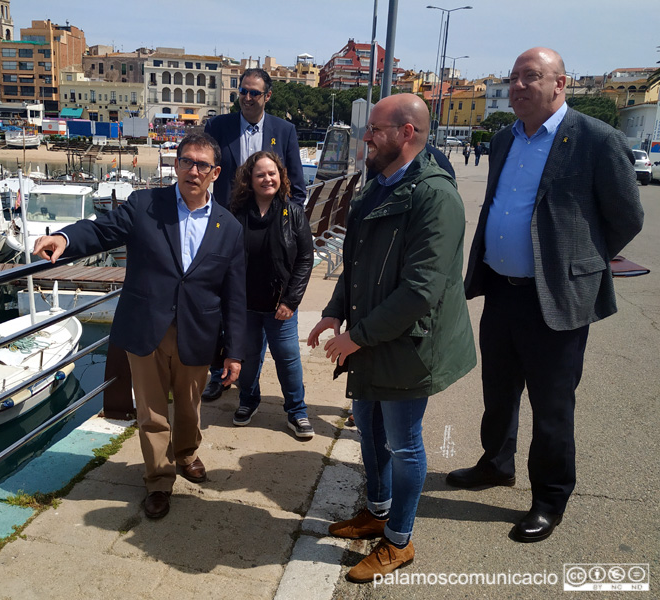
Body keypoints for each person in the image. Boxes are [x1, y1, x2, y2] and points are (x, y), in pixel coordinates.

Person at [446, 48, 644, 543]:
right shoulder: (503, 139)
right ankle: (496, 464)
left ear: (560, 84)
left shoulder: (597, 139)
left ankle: (550, 498)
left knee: (552, 406)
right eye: (513, 78)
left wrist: (578, 261)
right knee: (498, 391)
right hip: (502, 291)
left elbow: (627, 217)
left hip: (555, 297)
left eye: (530, 77)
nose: (518, 86)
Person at [33, 133, 246, 520]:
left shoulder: (228, 227)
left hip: (198, 330)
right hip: (148, 325)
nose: (192, 170)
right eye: (185, 161)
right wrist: (64, 238)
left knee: (189, 408)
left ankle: (186, 453)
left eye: (201, 165)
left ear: (215, 173)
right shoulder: (145, 204)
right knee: (151, 413)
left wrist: (235, 351)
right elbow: (102, 229)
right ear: (175, 165)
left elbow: (235, 293)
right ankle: (159, 479)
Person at [307, 93, 476, 583]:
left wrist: (356, 337)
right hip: (372, 339)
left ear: (407, 133)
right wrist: (334, 313)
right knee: (370, 433)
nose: (366, 138)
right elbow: (355, 262)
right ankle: (376, 511)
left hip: (408, 345)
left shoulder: (435, 196)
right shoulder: (375, 187)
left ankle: (398, 539)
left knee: (403, 444)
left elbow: (420, 291)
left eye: (375, 129)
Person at [202, 67, 307, 401]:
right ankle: (221, 374)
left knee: (260, 319)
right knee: (220, 308)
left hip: (267, 236)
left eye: (255, 93)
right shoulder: (218, 127)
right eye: (243, 92)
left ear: (267, 96)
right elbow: (206, 177)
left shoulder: (284, 130)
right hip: (222, 231)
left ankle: (264, 393)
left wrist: (282, 225)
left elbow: (298, 190)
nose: (247, 98)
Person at [229, 151, 314, 438]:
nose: (267, 178)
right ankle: (248, 401)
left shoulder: (294, 213)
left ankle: (297, 412)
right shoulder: (237, 214)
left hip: (281, 306)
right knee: (249, 359)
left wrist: (291, 300)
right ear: (249, 181)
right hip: (247, 305)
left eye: (272, 173)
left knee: (288, 359)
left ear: (281, 176)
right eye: (260, 174)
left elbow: (305, 258)